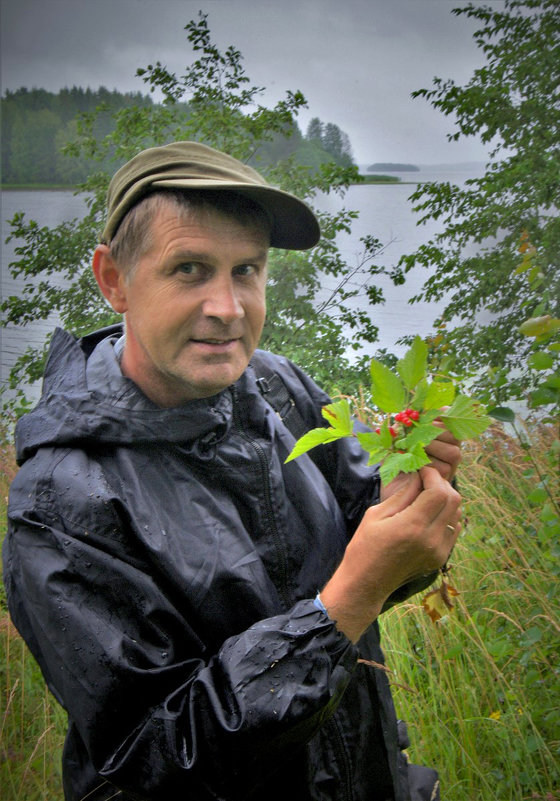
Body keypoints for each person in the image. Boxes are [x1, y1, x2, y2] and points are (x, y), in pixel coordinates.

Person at [3, 141, 462, 801]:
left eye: (246, 269)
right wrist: (344, 606)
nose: (228, 307)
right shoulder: (63, 504)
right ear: (114, 280)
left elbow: (379, 556)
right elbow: (158, 760)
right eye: (190, 268)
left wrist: (410, 503)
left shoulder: (276, 386)